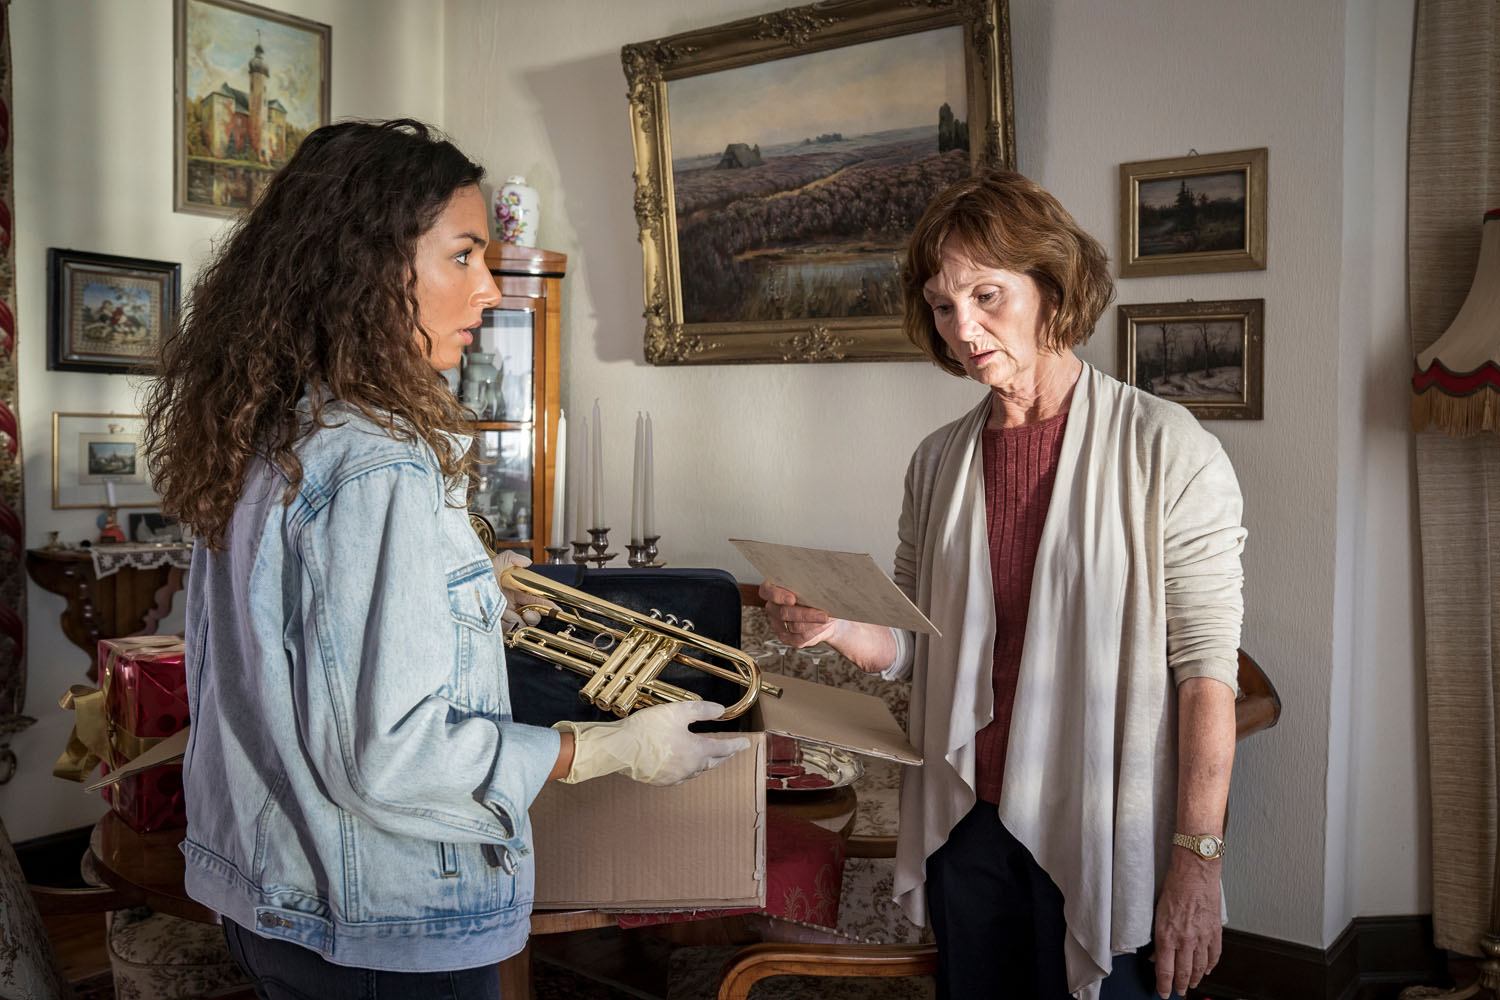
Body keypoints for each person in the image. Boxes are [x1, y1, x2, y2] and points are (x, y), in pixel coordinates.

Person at [142, 119, 748, 998]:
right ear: (369, 268)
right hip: (380, 920)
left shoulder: (267, 429)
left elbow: (296, 652)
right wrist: (604, 749)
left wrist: (473, 591)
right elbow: (392, 757)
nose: (493, 289)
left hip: (272, 890)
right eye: (463, 256)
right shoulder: (377, 462)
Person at [760, 169, 1243, 1000]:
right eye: (944, 307)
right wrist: (834, 625)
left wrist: (1196, 860)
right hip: (965, 819)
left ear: (1053, 289)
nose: (964, 327)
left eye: (988, 296)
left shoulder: (1168, 447)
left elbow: (1206, 673)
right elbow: (912, 644)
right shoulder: (938, 459)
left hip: (1097, 820)